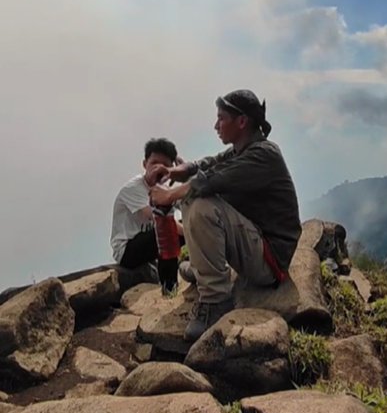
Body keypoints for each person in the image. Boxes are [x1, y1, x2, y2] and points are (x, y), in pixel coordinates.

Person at [149, 90, 301, 341]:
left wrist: (168, 195)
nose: (216, 125)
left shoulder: (263, 154)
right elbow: (206, 165)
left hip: (270, 260)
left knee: (200, 205)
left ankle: (215, 299)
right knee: (192, 199)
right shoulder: (241, 150)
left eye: (221, 118)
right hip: (255, 243)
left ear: (241, 122)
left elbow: (209, 180)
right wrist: (175, 170)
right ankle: (203, 271)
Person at [110, 137, 183, 292]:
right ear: (145, 164)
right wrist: (192, 231)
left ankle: (172, 283)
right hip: (127, 249)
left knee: (190, 222)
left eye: (165, 166)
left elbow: (188, 205)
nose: (158, 169)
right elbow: (157, 218)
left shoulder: (165, 190)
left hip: (147, 242)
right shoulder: (134, 189)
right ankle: (169, 288)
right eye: (154, 163)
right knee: (170, 229)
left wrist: (184, 175)